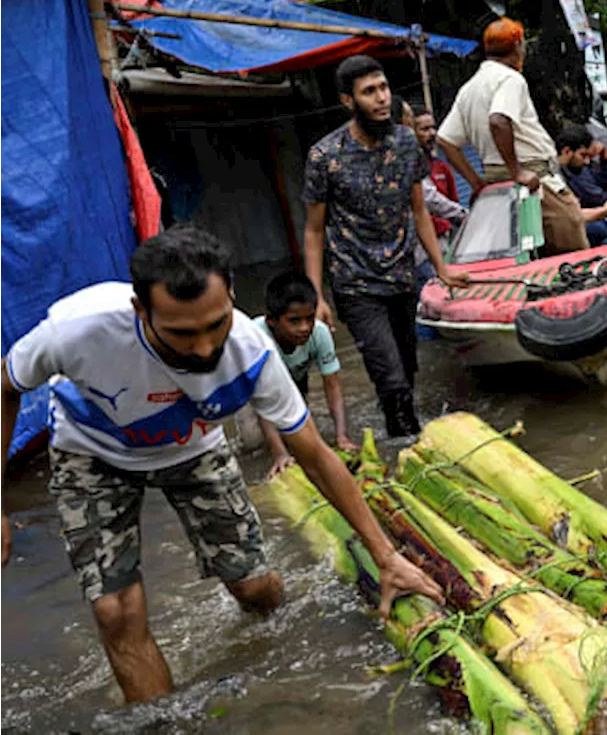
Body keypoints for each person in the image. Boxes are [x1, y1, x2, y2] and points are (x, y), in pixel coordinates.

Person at [0, 227, 441, 704]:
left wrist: (386, 557)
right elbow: (5, 386)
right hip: (92, 451)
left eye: (217, 324)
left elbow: (315, 454)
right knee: (115, 612)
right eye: (182, 333)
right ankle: (164, 720)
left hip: (193, 447)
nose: (206, 348)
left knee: (253, 589)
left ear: (231, 296)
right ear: (140, 311)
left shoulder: (251, 351)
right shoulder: (75, 332)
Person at [303, 55, 466, 439]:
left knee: (406, 371)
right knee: (391, 379)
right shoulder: (324, 156)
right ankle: (412, 446)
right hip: (355, 284)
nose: (380, 98)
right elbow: (313, 231)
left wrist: (442, 268)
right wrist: (316, 297)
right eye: (369, 92)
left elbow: (419, 208)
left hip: (403, 275)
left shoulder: (406, 142)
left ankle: (400, 433)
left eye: (383, 88)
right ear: (348, 101)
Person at [436, 18, 590, 255]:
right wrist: (516, 171)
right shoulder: (510, 79)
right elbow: (498, 120)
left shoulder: (470, 87)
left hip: (496, 184)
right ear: (518, 46)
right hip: (531, 178)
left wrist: (476, 182)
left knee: (523, 253)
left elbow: (446, 140)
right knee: (573, 244)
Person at [255, 270, 355, 475]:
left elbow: (333, 386)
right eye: (294, 321)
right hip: (251, 393)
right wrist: (279, 454)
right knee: (253, 444)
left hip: (295, 383)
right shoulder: (257, 340)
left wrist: (341, 437)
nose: (304, 327)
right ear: (272, 321)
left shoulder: (319, 333)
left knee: (298, 435)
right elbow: (264, 405)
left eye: (309, 318)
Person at [555, 125, 607, 246]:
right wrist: (604, 211)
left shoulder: (579, 168)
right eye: (583, 155)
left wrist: (605, 156)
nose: (587, 161)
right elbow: (570, 216)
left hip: (598, 207)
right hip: (575, 228)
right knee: (598, 229)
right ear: (566, 151)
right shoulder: (556, 178)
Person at [410, 105, 467, 239]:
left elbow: (454, 207)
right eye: (425, 129)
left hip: (444, 239)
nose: (432, 133)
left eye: (433, 127)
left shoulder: (442, 167)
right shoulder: (406, 168)